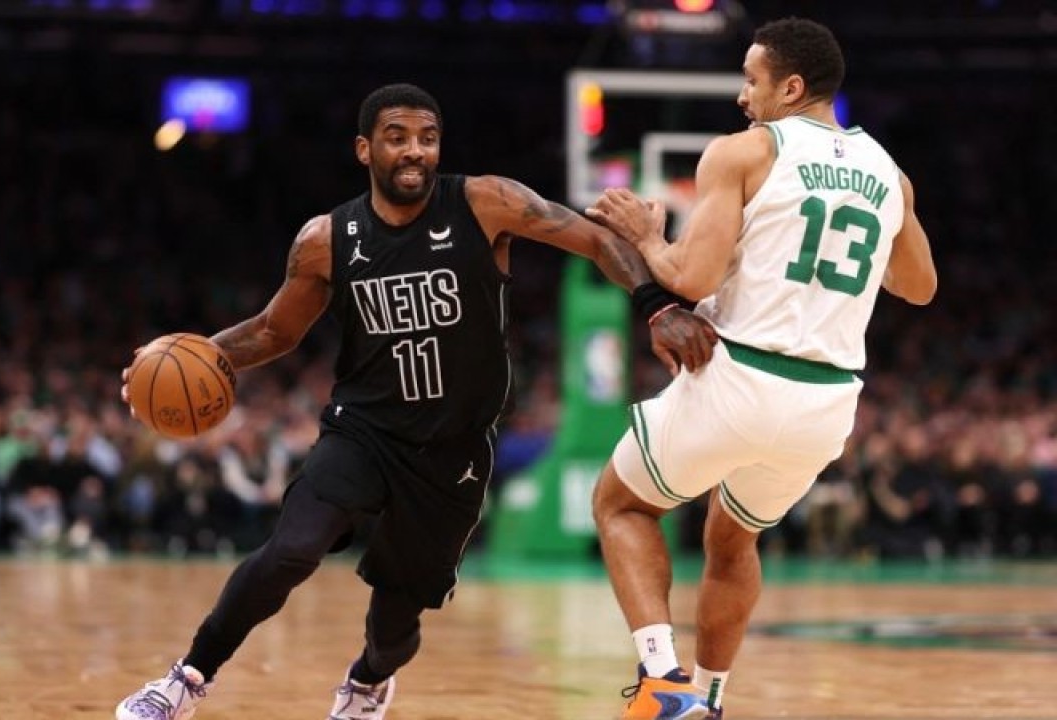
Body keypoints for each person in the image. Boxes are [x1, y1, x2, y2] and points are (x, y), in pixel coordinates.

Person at [113, 82, 719, 720]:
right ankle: (184, 681)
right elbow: (273, 331)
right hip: (363, 432)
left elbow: (597, 239)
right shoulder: (327, 239)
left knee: (393, 625)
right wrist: (187, 360)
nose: (415, 152)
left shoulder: (487, 202)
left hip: (452, 452)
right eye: (398, 137)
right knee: (290, 551)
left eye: (427, 138)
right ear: (364, 148)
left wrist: (656, 307)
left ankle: (368, 682)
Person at [583, 17, 937, 720]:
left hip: (739, 372)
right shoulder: (888, 173)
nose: (744, 95)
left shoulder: (743, 153)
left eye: (752, 80)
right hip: (827, 404)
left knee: (621, 504)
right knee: (732, 535)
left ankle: (663, 683)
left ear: (792, 86)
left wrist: (649, 235)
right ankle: (710, 700)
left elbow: (691, 274)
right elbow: (919, 286)